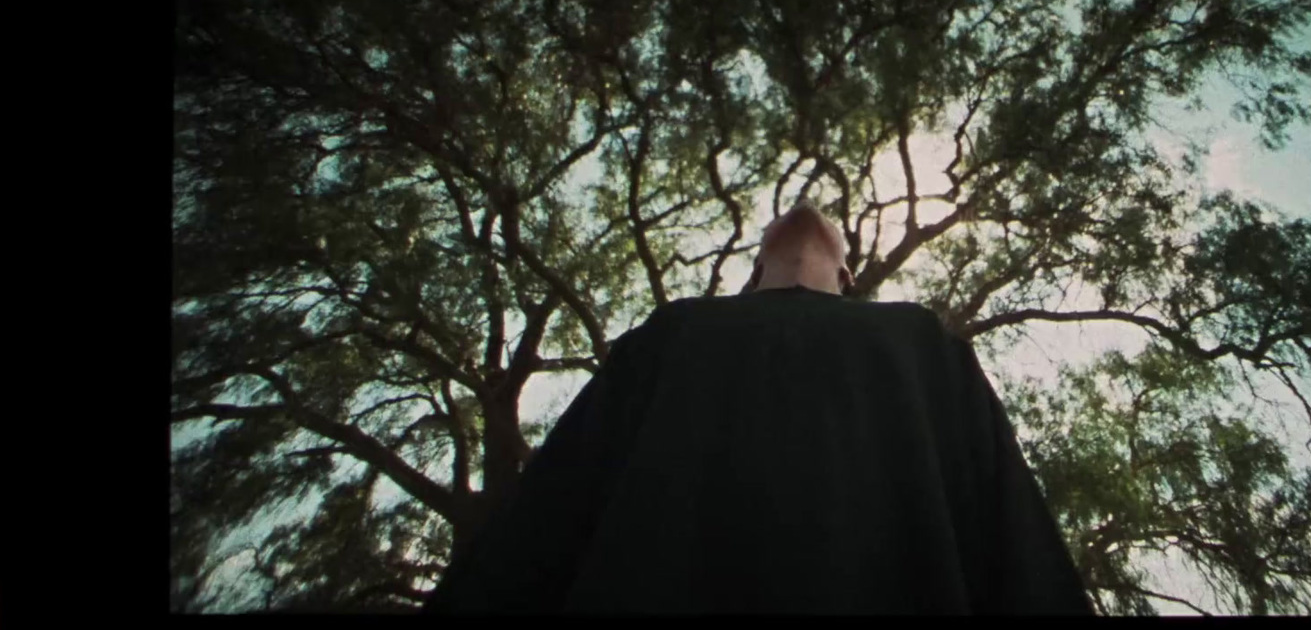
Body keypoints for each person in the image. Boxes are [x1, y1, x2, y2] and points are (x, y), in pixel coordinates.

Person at [423, 199, 1095, 615]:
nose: (804, 208)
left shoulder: (924, 344)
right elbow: (537, 538)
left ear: (850, 276)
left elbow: (1018, 557)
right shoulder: (667, 335)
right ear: (748, 272)